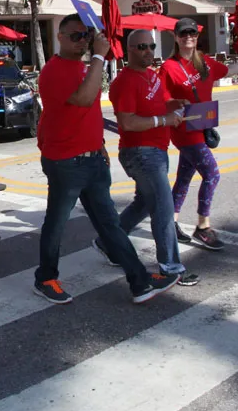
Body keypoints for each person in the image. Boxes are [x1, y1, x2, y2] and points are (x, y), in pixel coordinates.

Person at [34, 15, 179, 304]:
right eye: (75, 36)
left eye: (85, 36)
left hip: (91, 160)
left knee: (110, 224)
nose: (82, 41)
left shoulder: (81, 67)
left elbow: (87, 114)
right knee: (56, 223)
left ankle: (139, 282)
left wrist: (98, 143)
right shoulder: (54, 71)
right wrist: (99, 55)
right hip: (65, 162)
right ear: (60, 37)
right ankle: (45, 278)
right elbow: (85, 99)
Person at [107, 29, 197, 286]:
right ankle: (171, 267)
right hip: (140, 152)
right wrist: (163, 120)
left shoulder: (151, 75)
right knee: (163, 209)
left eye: (152, 46)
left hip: (156, 150)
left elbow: (160, 103)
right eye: (142, 47)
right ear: (129, 50)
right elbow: (127, 122)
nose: (148, 51)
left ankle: (108, 242)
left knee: (145, 203)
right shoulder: (125, 82)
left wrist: (174, 104)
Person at [160, 19, 238, 251]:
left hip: (202, 126)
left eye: (192, 33)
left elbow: (229, 70)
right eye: (183, 33)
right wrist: (176, 102)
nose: (188, 37)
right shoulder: (168, 68)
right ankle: (203, 227)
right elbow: (161, 99)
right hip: (184, 130)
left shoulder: (203, 62)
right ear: (176, 37)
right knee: (212, 174)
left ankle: (170, 222)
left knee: (184, 177)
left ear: (197, 36)